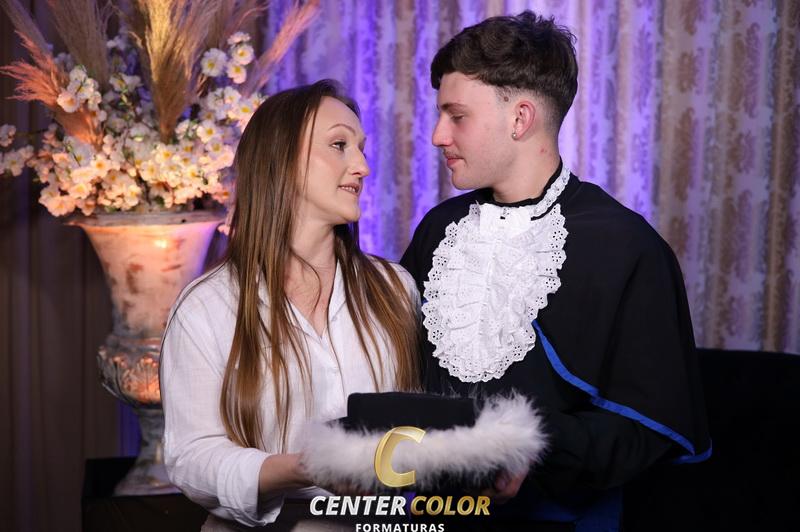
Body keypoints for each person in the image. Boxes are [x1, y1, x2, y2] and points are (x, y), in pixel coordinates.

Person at [399, 11, 711, 530]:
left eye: (457, 116)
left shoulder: (625, 245)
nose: (437, 135)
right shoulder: (439, 229)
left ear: (520, 119)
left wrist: (533, 446)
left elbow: (649, 429)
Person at [160, 80, 420, 530]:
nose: (362, 166)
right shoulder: (207, 307)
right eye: (339, 145)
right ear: (281, 159)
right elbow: (192, 456)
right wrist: (299, 468)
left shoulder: (395, 288)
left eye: (361, 148)